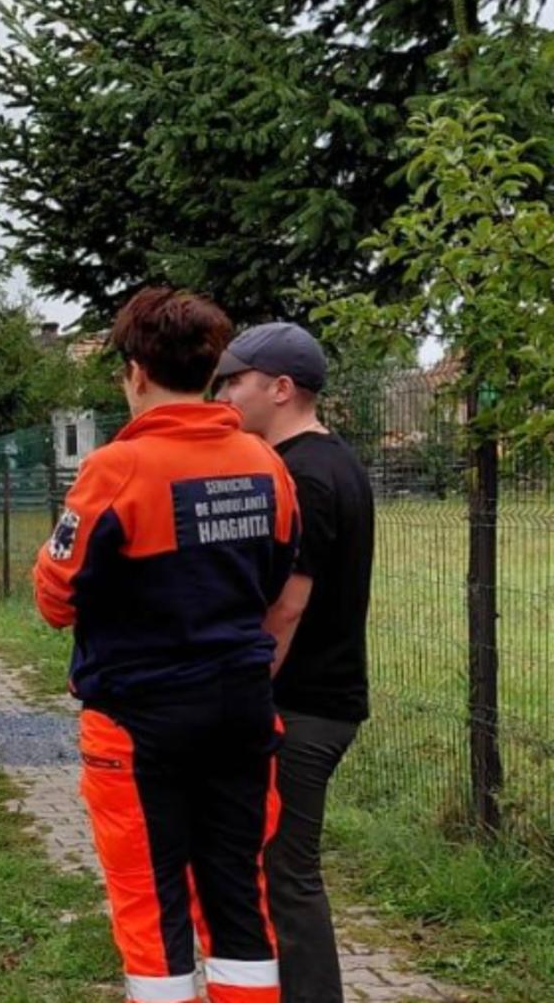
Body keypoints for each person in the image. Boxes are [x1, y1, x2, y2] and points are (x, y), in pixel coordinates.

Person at [36, 287, 299, 1003]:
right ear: (211, 369)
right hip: (242, 711)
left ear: (135, 372)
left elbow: (54, 597)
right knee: (240, 903)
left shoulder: (116, 470)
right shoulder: (265, 463)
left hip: (139, 719)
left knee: (153, 911)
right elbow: (276, 578)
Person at [215, 323, 374, 1003]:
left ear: (280, 389)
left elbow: (287, 607)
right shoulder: (335, 460)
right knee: (280, 865)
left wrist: (248, 696)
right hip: (320, 699)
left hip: (304, 704)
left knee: (287, 872)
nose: (223, 394)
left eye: (234, 382)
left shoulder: (304, 474)